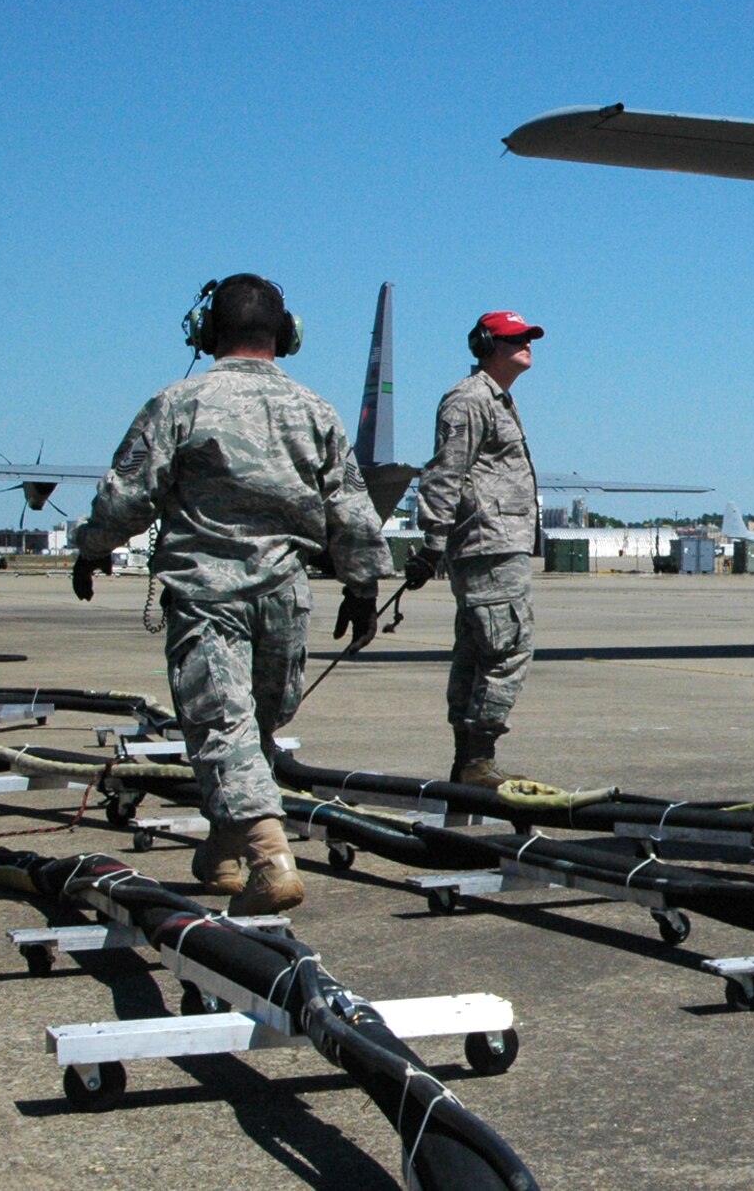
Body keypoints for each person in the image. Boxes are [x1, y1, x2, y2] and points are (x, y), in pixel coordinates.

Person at [73, 274, 392, 915]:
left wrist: (92, 546)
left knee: (225, 728)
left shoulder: (178, 403)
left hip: (207, 598)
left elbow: (127, 494)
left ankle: (270, 858)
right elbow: (353, 509)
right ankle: (225, 850)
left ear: (207, 332)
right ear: (286, 335)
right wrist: (362, 586)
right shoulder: (317, 410)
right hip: (285, 597)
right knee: (252, 731)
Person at [404, 311, 543, 788]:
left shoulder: (499, 400)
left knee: (478, 650)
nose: (527, 345)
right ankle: (477, 759)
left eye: (528, 337)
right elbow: (446, 472)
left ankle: (469, 761)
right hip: (488, 543)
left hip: (499, 542)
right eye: (515, 339)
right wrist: (432, 540)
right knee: (508, 647)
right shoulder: (469, 401)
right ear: (487, 344)